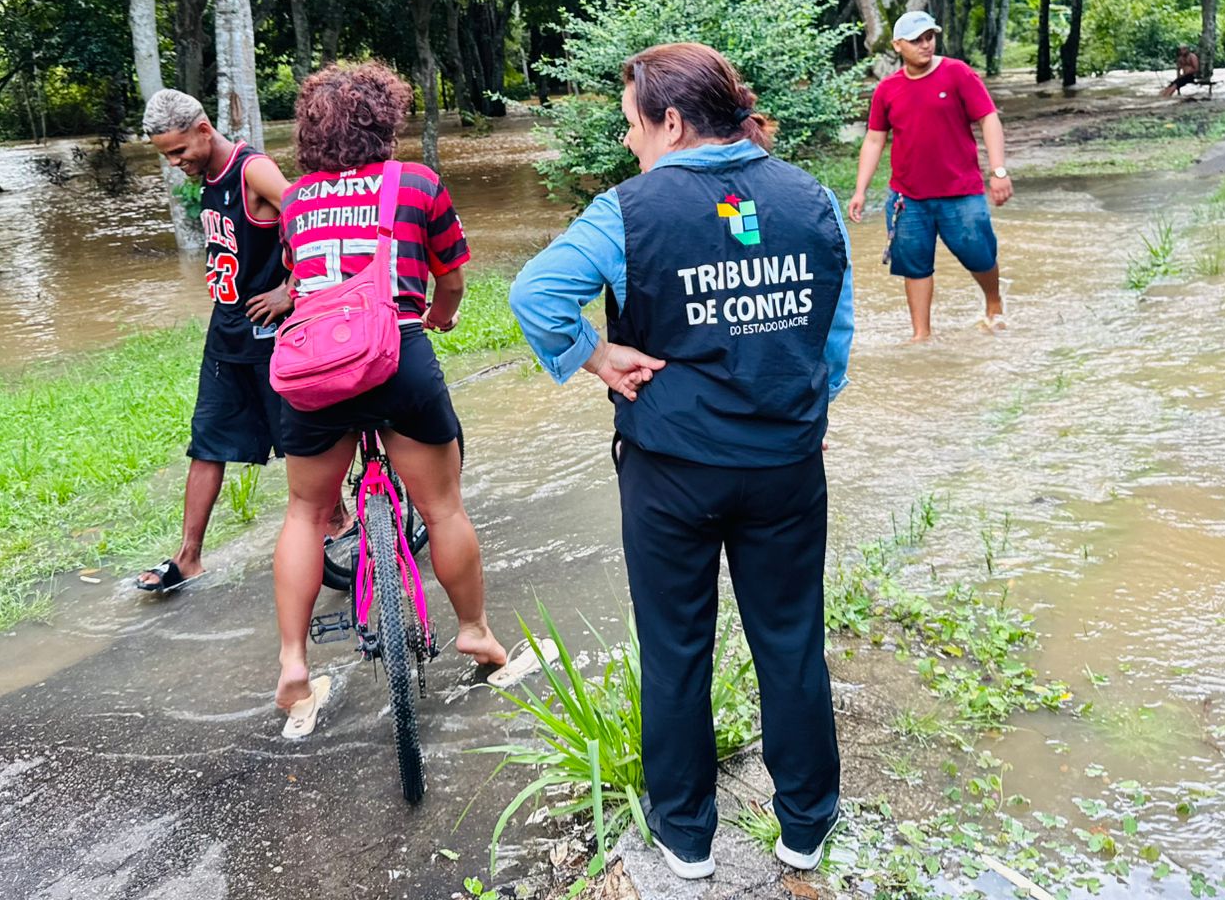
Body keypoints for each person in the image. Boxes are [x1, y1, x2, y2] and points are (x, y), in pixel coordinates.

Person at [509, 43, 855, 882]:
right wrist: (795, 407)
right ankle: (805, 827)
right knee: (791, 639)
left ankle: (687, 842)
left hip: (671, 471)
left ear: (670, 120)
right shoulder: (809, 196)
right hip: (784, 467)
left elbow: (534, 294)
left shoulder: (626, 211)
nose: (629, 143)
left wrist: (594, 356)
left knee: (674, 648)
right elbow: (834, 335)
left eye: (632, 125)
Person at [272, 62, 527, 735]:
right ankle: (474, 632)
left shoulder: (295, 201)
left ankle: (294, 664)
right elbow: (452, 278)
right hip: (398, 355)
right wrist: (440, 315)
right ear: (385, 120)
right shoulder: (416, 184)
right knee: (443, 508)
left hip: (315, 371)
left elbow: (301, 281)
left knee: (304, 512)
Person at [137, 90, 296, 594]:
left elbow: (313, 224)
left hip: (272, 335)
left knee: (300, 443)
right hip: (226, 331)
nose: (175, 162)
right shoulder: (206, 176)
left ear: (204, 128)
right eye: (166, 155)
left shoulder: (254, 171)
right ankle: (188, 558)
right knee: (206, 441)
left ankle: (337, 525)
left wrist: (289, 291)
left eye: (179, 150)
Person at [847, 10, 1012, 342]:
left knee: (979, 254)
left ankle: (993, 303)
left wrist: (998, 171)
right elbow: (875, 138)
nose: (925, 45)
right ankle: (921, 335)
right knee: (914, 265)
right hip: (908, 198)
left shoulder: (957, 73)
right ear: (897, 45)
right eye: (916, 40)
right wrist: (860, 190)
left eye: (929, 37)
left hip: (960, 191)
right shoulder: (887, 89)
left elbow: (988, 118)